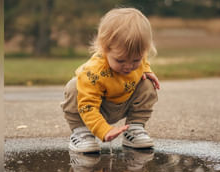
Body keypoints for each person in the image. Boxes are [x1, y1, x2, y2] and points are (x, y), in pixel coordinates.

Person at [61, 7, 159, 153]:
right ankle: (81, 134)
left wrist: (146, 70)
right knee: (73, 87)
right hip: (95, 108)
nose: (128, 66)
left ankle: (134, 129)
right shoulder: (94, 72)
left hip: (123, 103)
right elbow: (87, 105)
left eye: (136, 60)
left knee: (147, 84)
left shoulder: (136, 58)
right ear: (104, 48)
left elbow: (143, 61)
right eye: (120, 60)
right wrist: (104, 130)